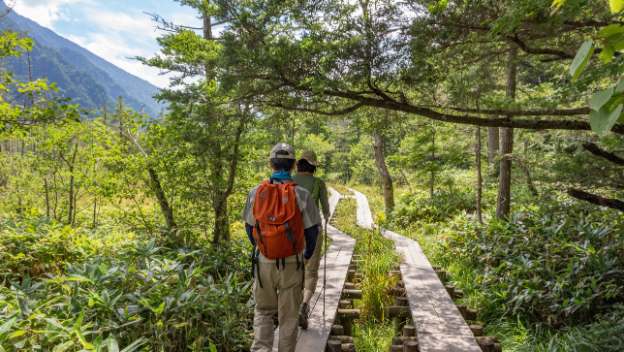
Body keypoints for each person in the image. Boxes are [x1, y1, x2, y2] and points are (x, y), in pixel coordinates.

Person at [243, 143, 321, 352]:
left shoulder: (255, 193)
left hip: (263, 263)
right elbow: (312, 233)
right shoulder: (302, 195)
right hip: (292, 263)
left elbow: (250, 228)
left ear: (271, 164)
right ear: (294, 165)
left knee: (263, 312)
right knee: (289, 317)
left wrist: (264, 248)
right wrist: (304, 255)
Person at [292, 150, 330, 329]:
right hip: (313, 230)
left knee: (293, 268)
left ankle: (291, 306)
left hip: (291, 233)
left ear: (298, 165)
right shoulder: (318, 183)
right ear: (314, 166)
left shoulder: (288, 182)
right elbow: (326, 211)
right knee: (311, 271)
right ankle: (305, 305)